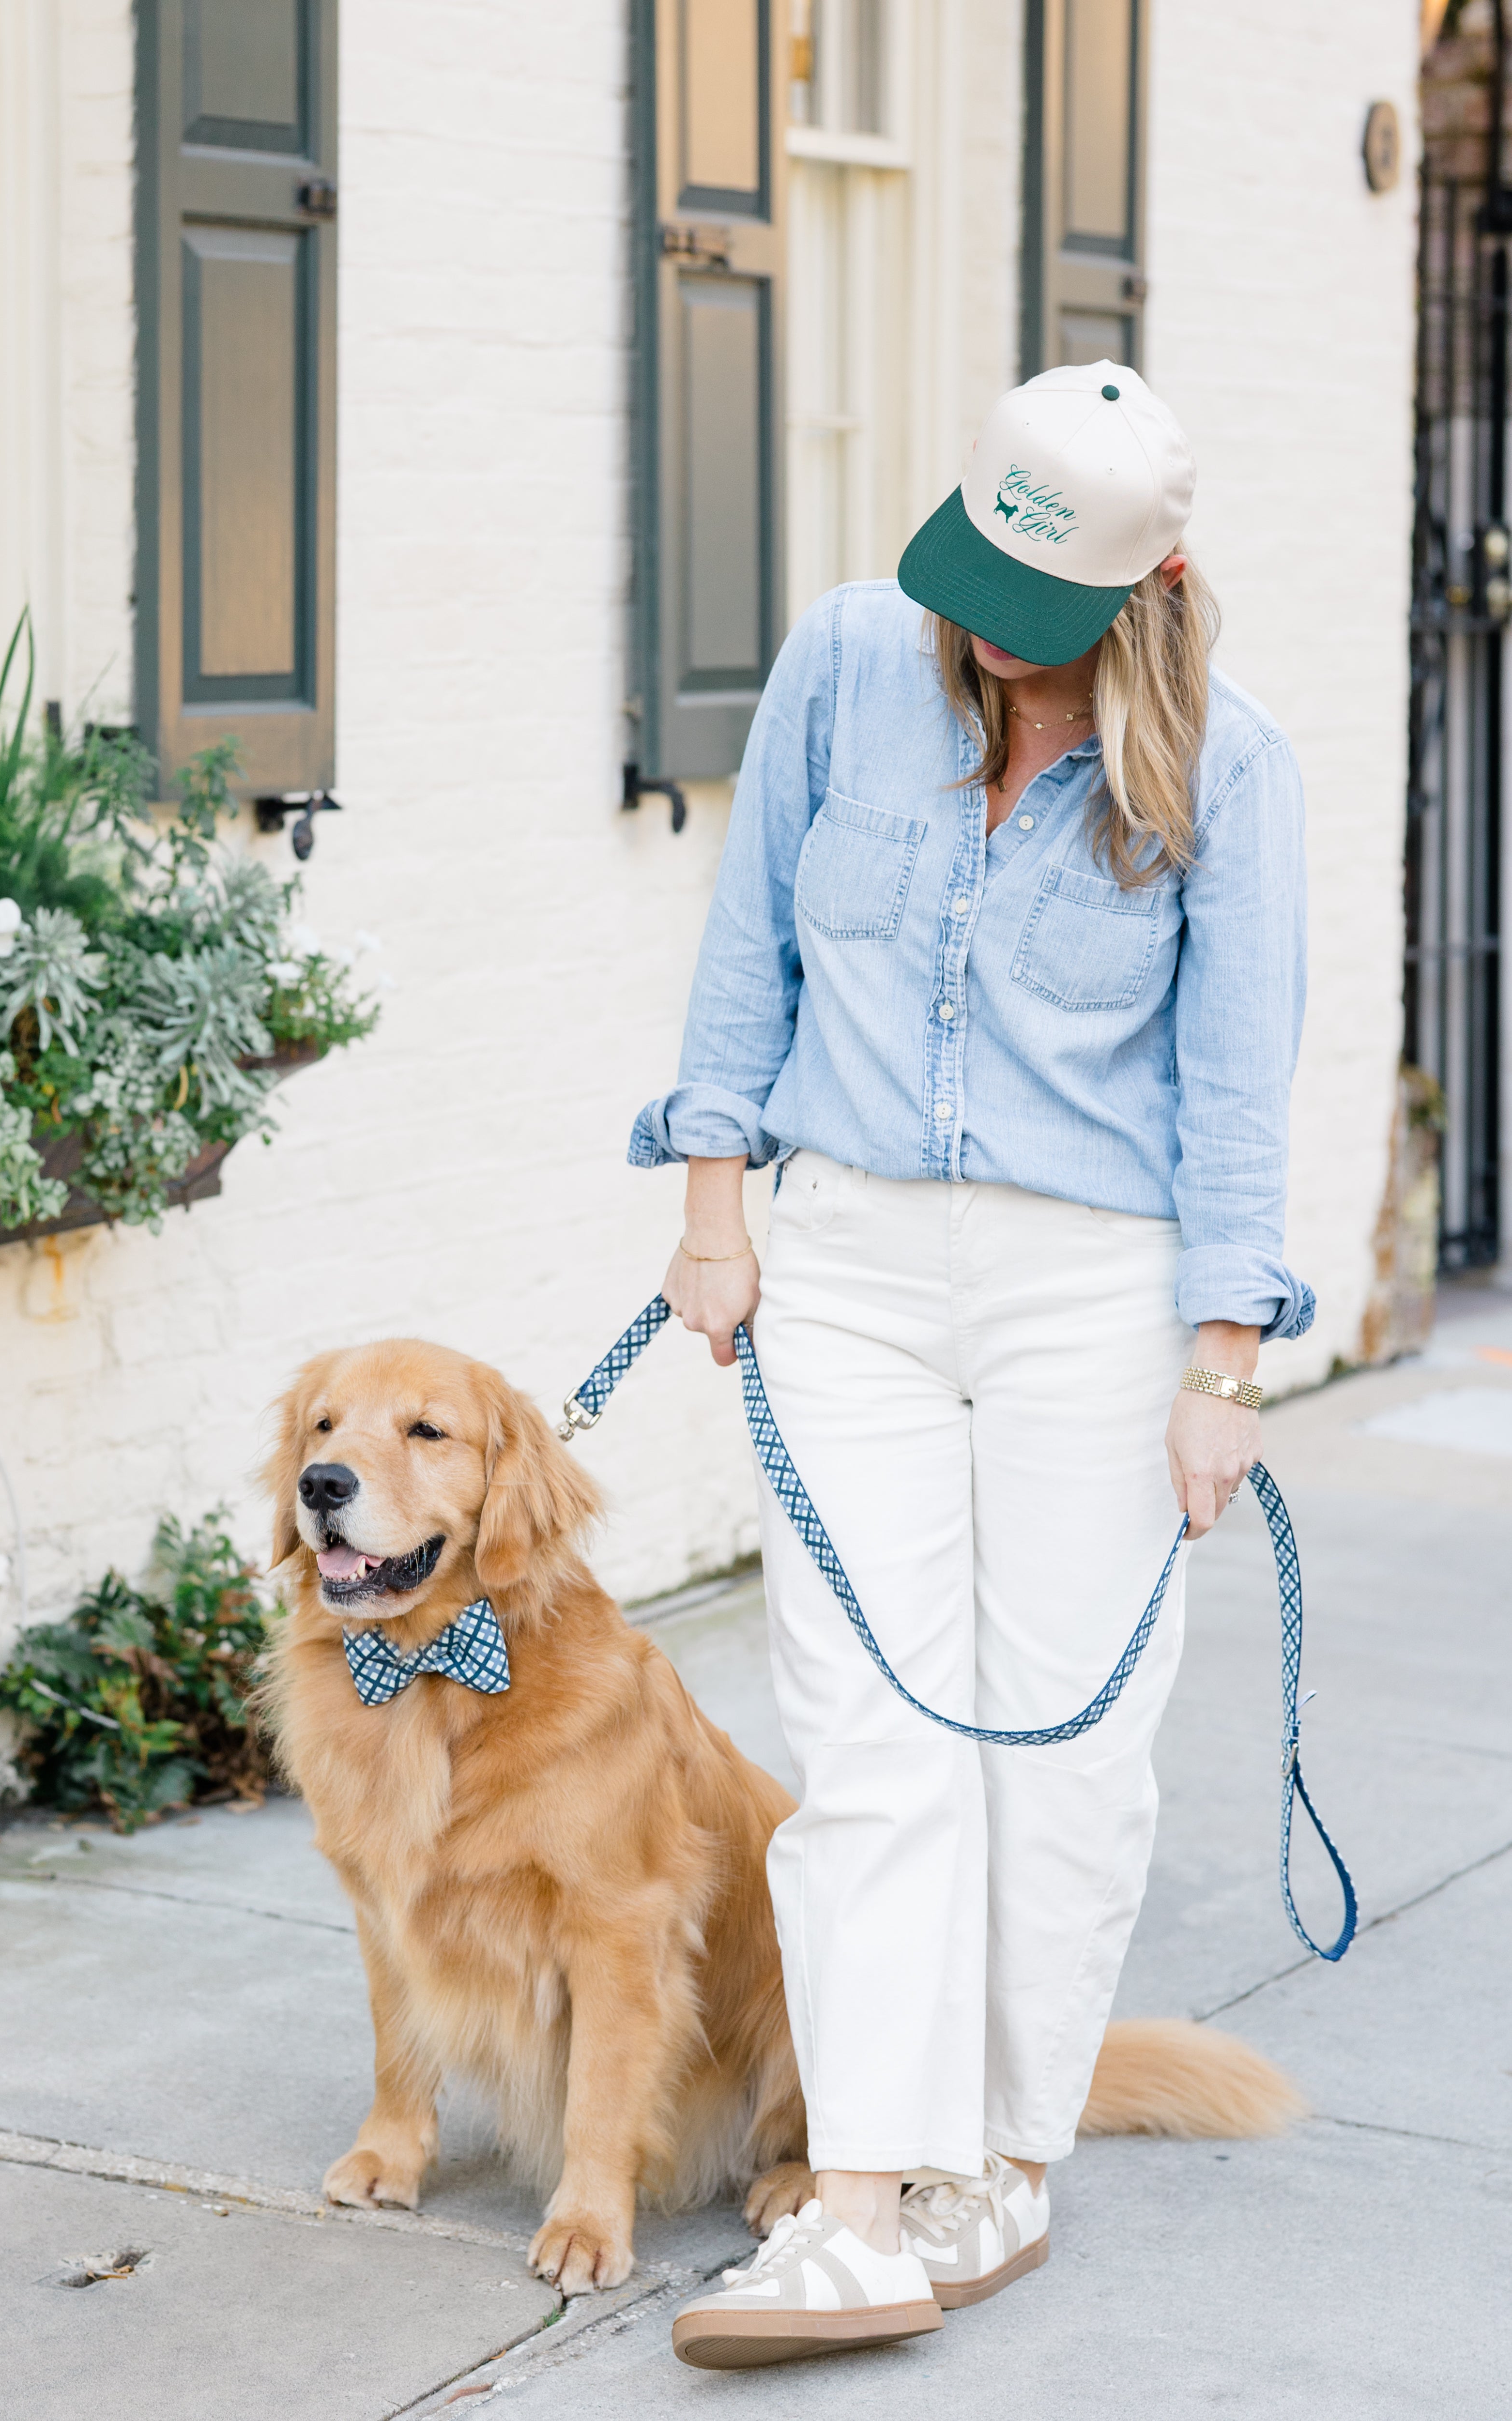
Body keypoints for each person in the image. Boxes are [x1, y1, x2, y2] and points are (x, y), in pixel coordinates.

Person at [631, 361, 1313, 2370]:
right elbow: (745, 941)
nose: (987, 629)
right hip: (840, 1257)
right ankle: (862, 2193)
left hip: (1091, 1287)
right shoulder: (848, 663)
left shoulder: (1228, 767)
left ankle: (998, 2161)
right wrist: (712, 1202)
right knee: (867, 1732)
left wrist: (1227, 1361)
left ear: (1149, 583)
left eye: (1040, 601)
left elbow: (1234, 1081)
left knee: (1060, 1744)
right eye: (972, 571)